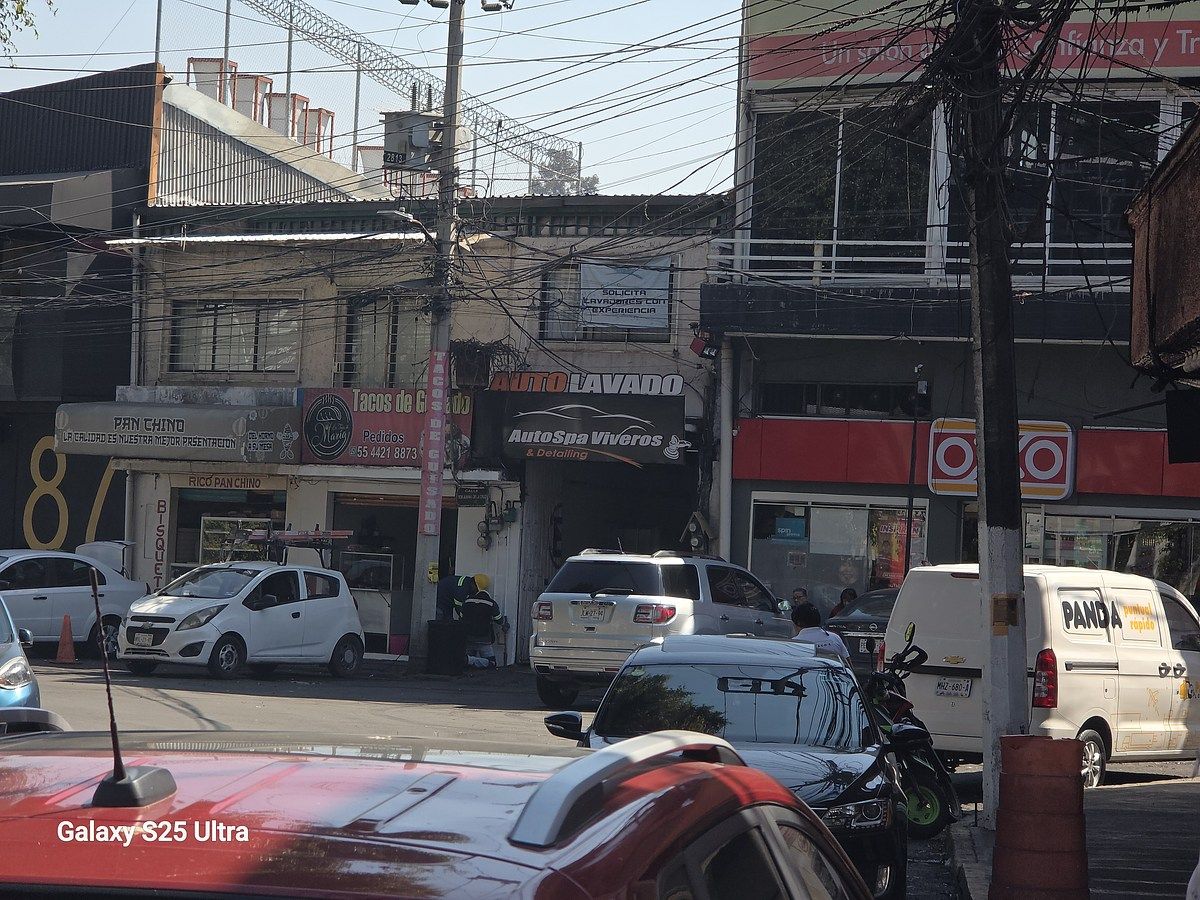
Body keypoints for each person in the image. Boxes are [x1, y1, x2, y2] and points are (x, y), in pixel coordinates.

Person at [460, 588, 503, 668]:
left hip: (468, 637)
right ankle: (470, 660)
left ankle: (469, 660)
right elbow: (499, 620)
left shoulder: (467, 601)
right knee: (492, 663)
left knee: (466, 665)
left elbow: (461, 617)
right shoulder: (491, 603)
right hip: (484, 638)